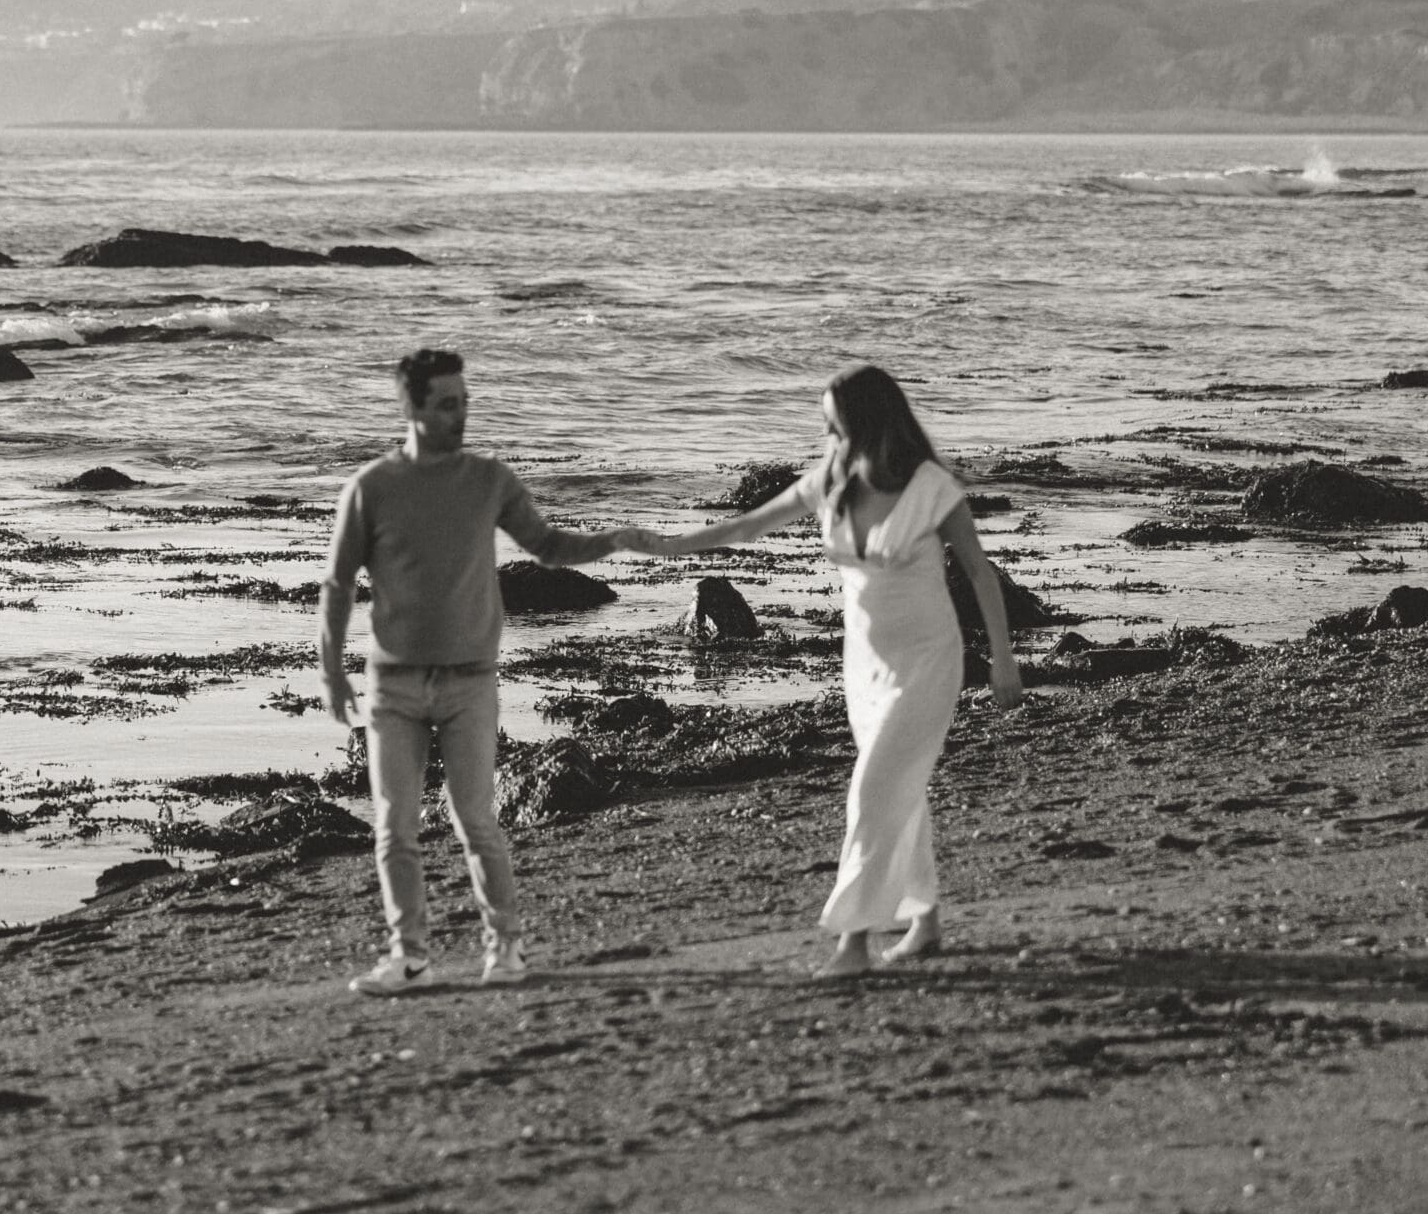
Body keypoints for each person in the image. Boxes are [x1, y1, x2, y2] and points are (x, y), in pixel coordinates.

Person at [631, 365, 1023, 978]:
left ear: (868, 421)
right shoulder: (831, 481)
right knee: (900, 788)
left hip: (927, 660)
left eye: (837, 424)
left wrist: (1002, 659)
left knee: (872, 790)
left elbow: (978, 573)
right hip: (863, 664)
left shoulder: (929, 486)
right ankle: (925, 921)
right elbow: (747, 525)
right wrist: (667, 545)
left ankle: (854, 943)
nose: (829, 436)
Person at [318, 348, 642, 996]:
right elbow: (337, 582)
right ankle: (408, 956)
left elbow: (547, 547)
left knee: (477, 822)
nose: (459, 414)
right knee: (395, 828)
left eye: (464, 401)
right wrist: (331, 670)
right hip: (394, 684)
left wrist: (615, 537)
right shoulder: (372, 487)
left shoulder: (489, 479)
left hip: (471, 681)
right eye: (445, 403)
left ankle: (507, 949)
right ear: (409, 407)